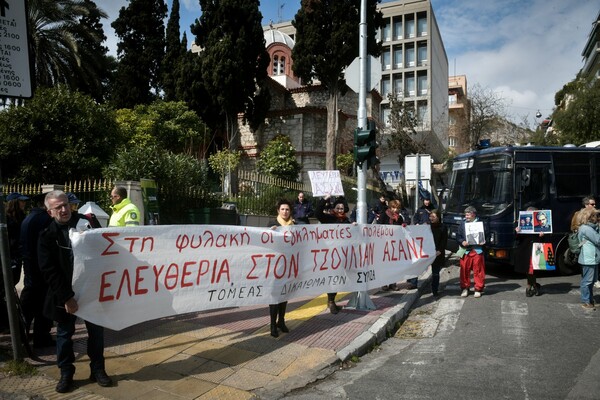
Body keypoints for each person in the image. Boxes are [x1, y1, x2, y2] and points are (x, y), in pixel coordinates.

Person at [38, 190, 112, 393]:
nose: (64, 210)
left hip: (91, 291)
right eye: (58, 207)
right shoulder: (46, 236)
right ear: (50, 212)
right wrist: (67, 298)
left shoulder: (87, 223)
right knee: (64, 334)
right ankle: (66, 373)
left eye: (66, 204)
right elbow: (49, 271)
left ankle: (97, 370)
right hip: (64, 295)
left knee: (96, 332)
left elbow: (105, 247)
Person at [19, 193, 54, 348]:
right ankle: (41, 337)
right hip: (41, 267)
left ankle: (22, 334)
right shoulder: (44, 219)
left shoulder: (29, 217)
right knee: (43, 304)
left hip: (30, 265)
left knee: (28, 302)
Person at [315, 195, 354, 314]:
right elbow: (318, 213)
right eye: (338, 208)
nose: (340, 210)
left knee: (338, 278)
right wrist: (325, 199)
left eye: (342, 208)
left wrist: (354, 227)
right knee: (332, 277)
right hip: (331, 254)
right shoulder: (329, 218)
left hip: (342, 254)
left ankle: (332, 300)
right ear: (334, 208)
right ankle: (331, 301)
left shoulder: (347, 221)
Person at [267, 199, 294, 337]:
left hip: (288, 265)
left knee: (284, 294)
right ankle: (272, 325)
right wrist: (270, 232)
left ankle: (281, 321)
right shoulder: (272, 224)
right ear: (278, 210)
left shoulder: (294, 225)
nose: (285, 212)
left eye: (287, 209)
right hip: (275, 266)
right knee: (275, 296)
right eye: (282, 209)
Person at [456, 206, 486, 298]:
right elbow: (458, 236)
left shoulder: (481, 224)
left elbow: (487, 234)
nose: (466, 216)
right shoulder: (462, 224)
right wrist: (462, 241)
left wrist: (484, 241)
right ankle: (465, 288)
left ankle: (478, 288)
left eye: (468, 214)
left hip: (477, 250)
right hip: (465, 251)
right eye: (466, 214)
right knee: (464, 270)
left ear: (473, 214)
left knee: (478, 270)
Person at [377, 199, 407, 291]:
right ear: (390, 207)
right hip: (384, 244)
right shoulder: (384, 215)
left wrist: (404, 226)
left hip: (395, 245)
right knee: (385, 265)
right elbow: (378, 228)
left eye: (397, 208)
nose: (395, 210)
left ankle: (393, 283)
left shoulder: (400, 218)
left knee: (394, 265)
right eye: (393, 208)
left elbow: (401, 231)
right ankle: (384, 283)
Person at [514, 207, 544, 297]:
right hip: (525, 249)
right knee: (529, 269)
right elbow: (517, 239)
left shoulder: (541, 224)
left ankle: (530, 286)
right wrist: (517, 232)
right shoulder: (521, 223)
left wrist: (542, 235)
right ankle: (534, 286)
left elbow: (547, 238)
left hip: (536, 248)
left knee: (532, 269)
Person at [575, 208, 600, 309]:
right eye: (596, 216)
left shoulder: (588, 228)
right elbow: (598, 240)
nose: (598, 218)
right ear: (590, 217)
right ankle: (586, 301)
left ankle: (590, 300)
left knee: (591, 281)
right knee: (587, 281)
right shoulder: (587, 229)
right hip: (589, 258)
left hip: (592, 258)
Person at [6, 192, 29, 284]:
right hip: (9, 255)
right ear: (14, 202)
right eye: (21, 201)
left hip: (19, 255)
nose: (24, 203)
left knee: (15, 279)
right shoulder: (6, 218)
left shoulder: (22, 217)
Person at [428, 210, 448, 298]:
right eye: (430, 216)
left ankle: (434, 289)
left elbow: (444, 240)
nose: (431, 218)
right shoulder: (427, 227)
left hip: (437, 253)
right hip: (427, 252)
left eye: (433, 217)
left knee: (435, 272)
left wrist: (439, 250)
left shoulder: (443, 227)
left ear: (438, 217)